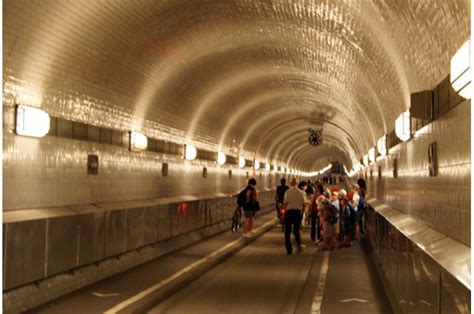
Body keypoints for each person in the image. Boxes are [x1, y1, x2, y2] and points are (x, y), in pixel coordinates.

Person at [283, 177, 306, 255]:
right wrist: (302, 213)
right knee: (296, 230)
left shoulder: (287, 192)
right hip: (297, 212)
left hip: (289, 212)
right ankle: (299, 245)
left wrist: (283, 213)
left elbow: (285, 203)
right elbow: (303, 204)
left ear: (290, 183)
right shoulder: (301, 192)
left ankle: (289, 250)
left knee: (287, 231)